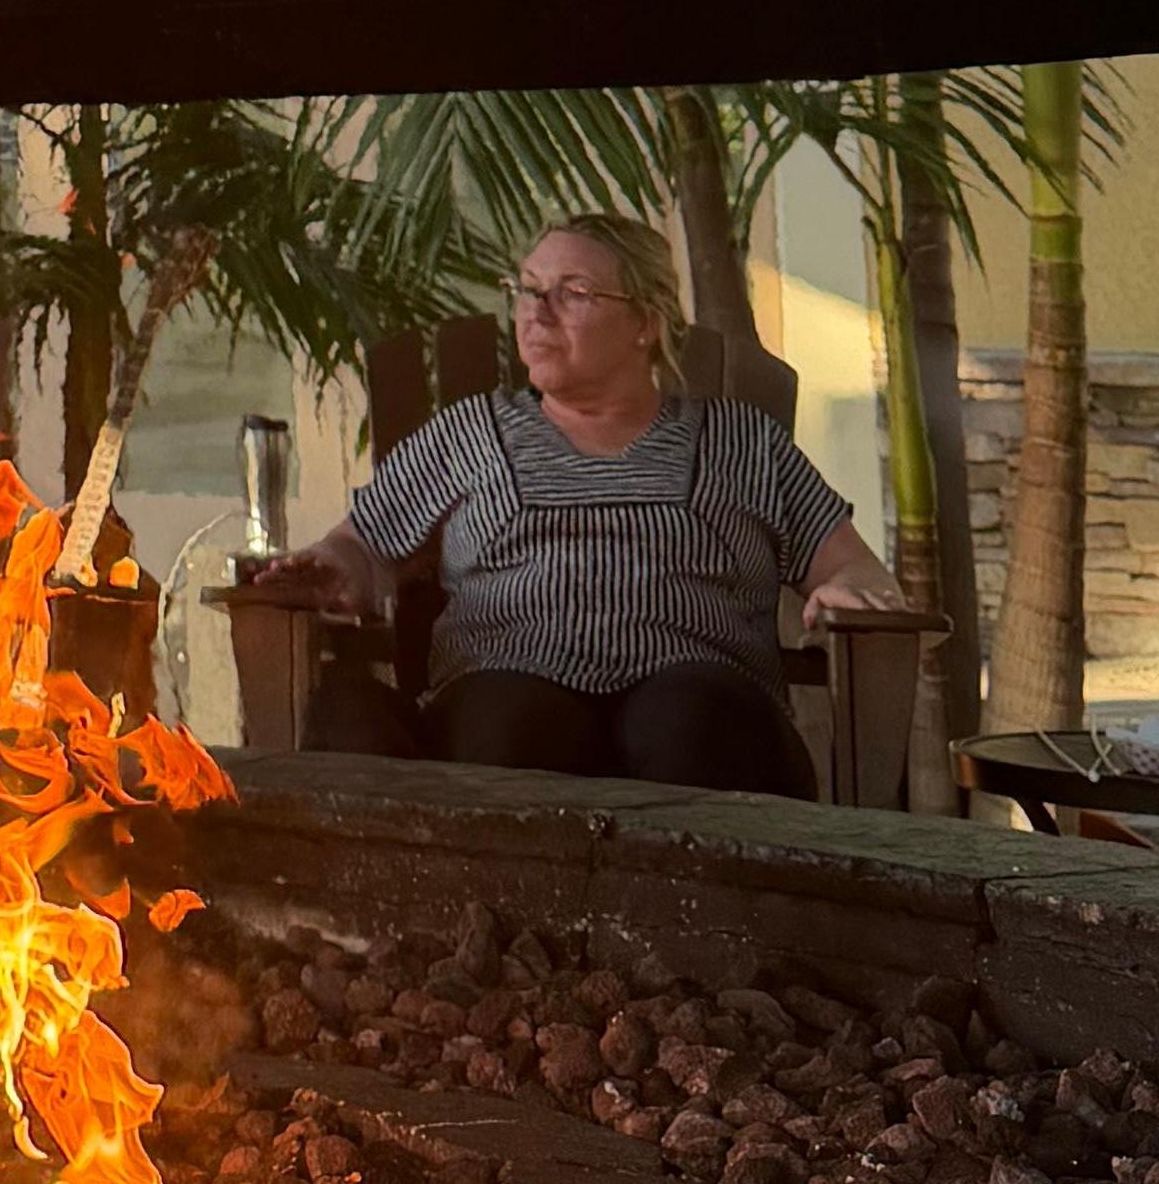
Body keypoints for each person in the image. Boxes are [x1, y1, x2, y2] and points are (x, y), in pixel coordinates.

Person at [242, 209, 906, 798]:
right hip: (504, 691)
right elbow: (361, 545)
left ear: (646, 322)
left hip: (701, 702)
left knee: (687, 722)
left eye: (574, 293)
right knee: (511, 724)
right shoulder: (471, 432)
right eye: (528, 290)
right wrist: (333, 566)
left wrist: (849, 591)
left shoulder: (741, 442)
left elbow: (856, 570)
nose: (537, 311)